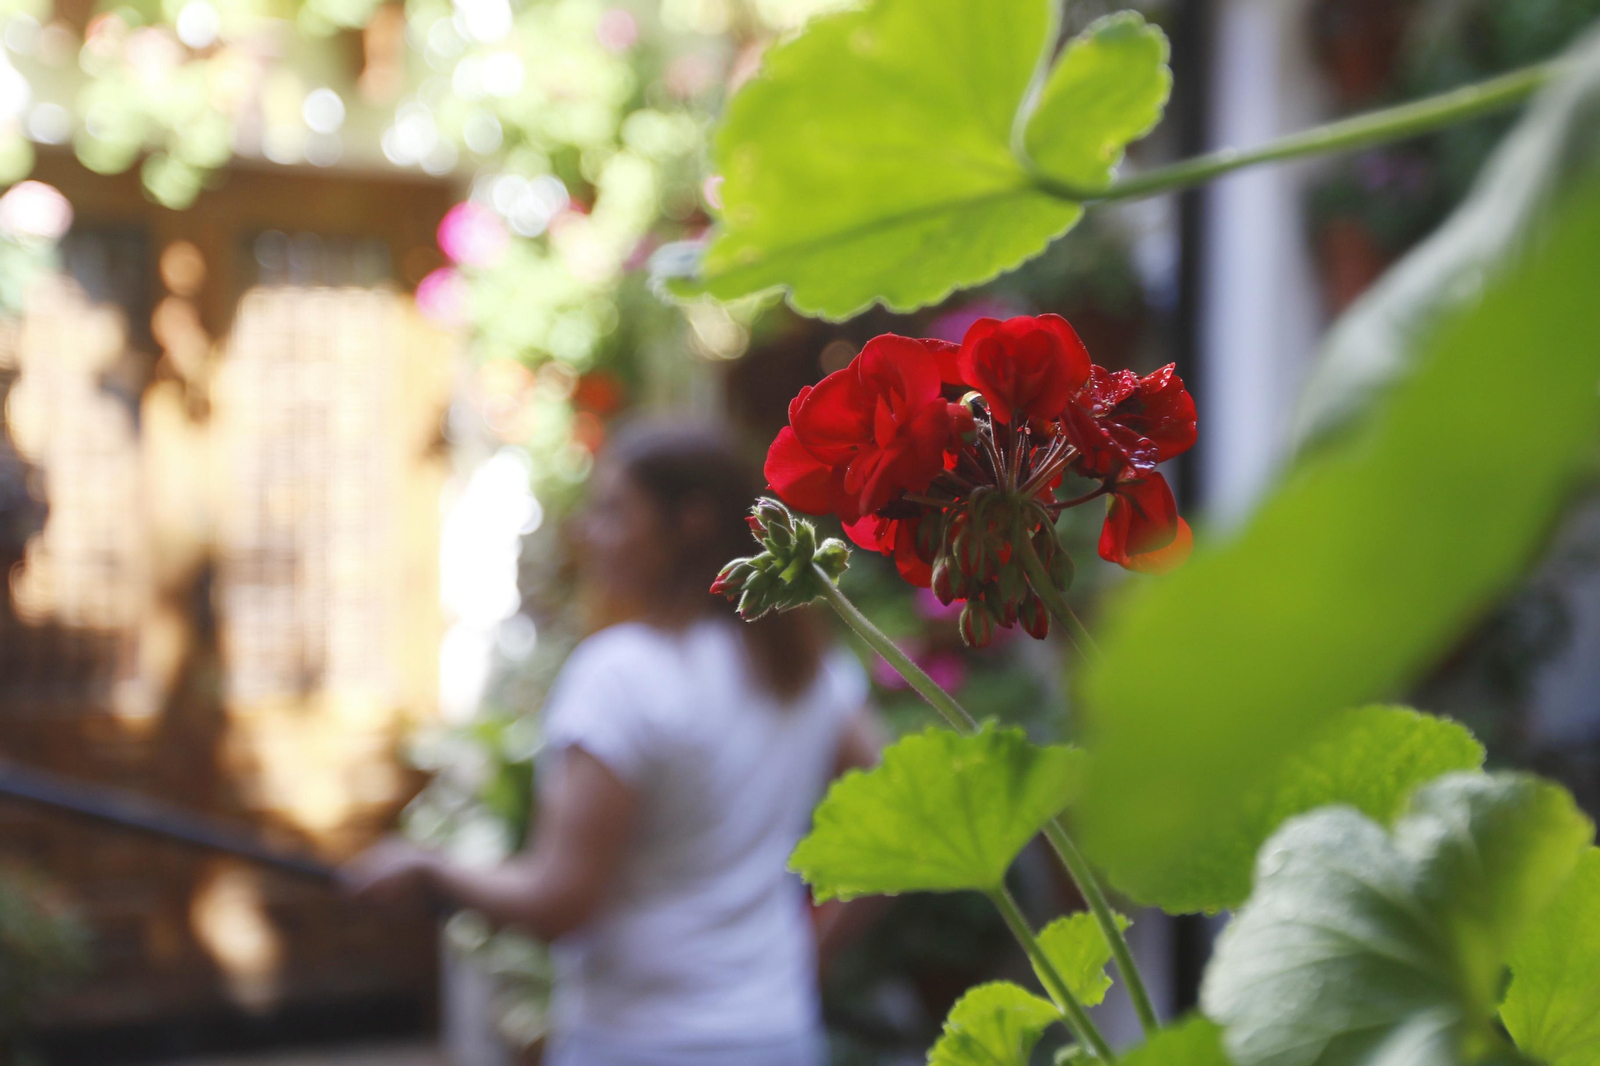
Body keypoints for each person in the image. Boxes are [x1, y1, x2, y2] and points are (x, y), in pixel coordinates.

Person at [343, 421, 882, 1066]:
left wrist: (431, 870)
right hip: (777, 1035)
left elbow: (560, 900)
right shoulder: (812, 674)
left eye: (613, 512)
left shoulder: (623, 676)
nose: (589, 534)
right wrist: (803, 958)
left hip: (643, 1041)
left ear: (691, 523)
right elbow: (899, 824)